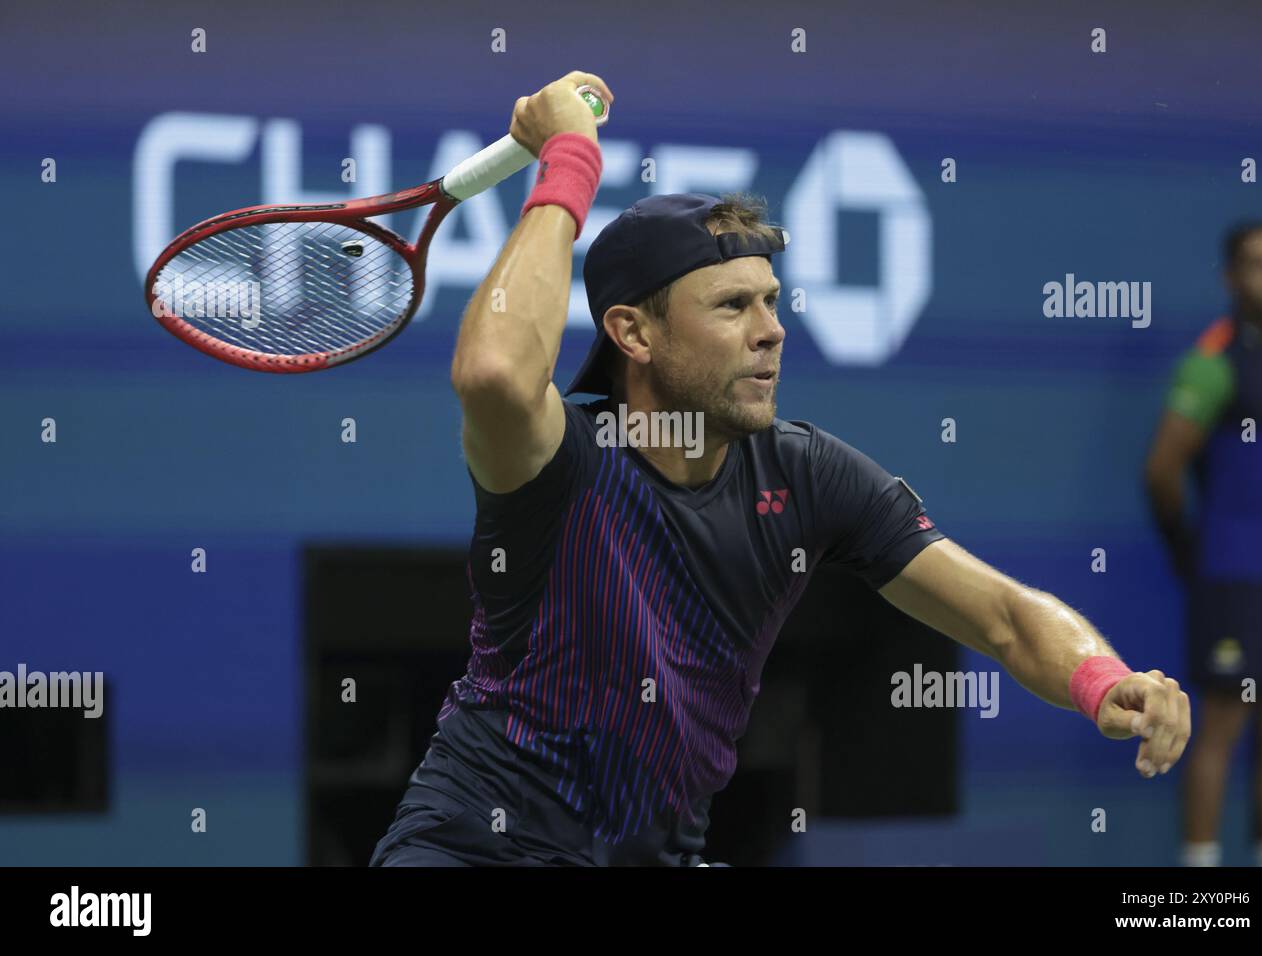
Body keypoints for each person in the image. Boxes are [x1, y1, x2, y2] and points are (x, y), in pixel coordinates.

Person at [370, 71, 1191, 866]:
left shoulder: (806, 476)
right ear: (633, 333)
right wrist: (570, 161)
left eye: (772, 301)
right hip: (473, 848)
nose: (772, 331)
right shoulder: (558, 458)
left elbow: (1007, 617)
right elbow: (495, 374)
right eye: (733, 306)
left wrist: (1101, 680)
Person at [1144, 220, 1262, 867]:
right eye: (1258, 264)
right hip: (1234, 580)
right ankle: (1201, 888)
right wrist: (1191, 549)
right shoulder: (1210, 364)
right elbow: (1161, 470)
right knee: (1220, 730)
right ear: (1232, 278)